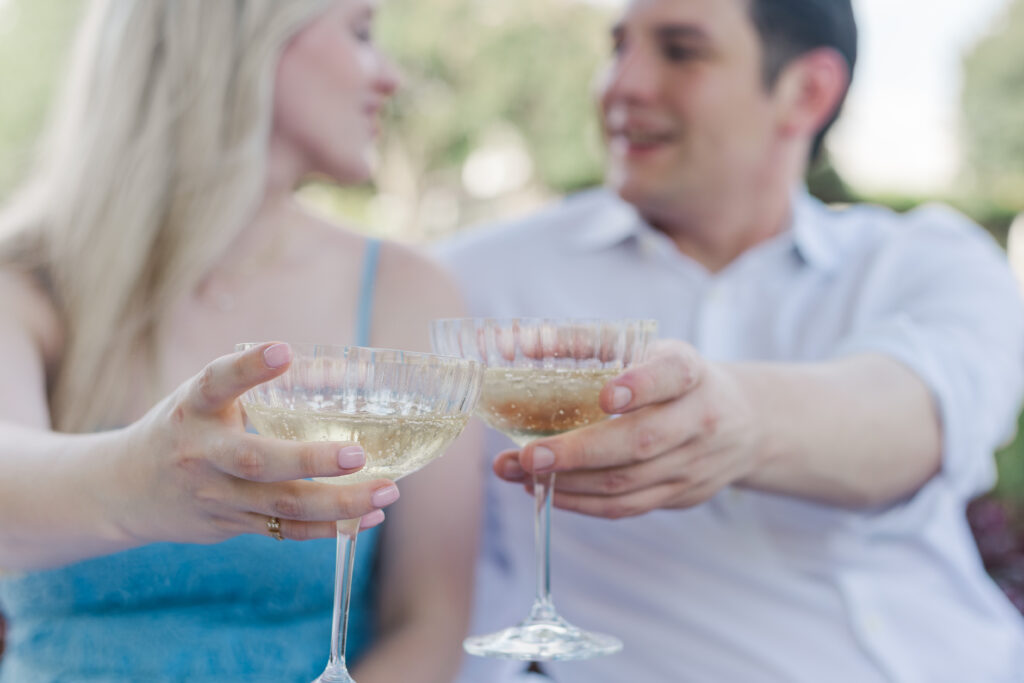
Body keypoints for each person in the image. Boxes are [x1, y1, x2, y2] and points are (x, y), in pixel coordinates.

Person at [438, 0, 1024, 681]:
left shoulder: (927, 260)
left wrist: (734, 419)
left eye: (681, 50)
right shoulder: (470, 281)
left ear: (807, 92)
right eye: (619, 47)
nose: (620, 84)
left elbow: (918, 415)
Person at [0, 1, 480, 681]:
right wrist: (139, 480)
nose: (391, 76)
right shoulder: (25, 280)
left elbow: (428, 626)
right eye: (360, 31)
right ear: (243, 37)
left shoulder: (408, 289)